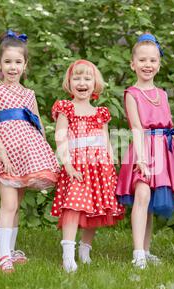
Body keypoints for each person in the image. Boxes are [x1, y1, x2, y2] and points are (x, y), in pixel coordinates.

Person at [0, 29, 60, 273]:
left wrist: (42, 154)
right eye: (7, 62)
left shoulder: (29, 94)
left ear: (25, 64)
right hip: (3, 154)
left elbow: (37, 124)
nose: (12, 67)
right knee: (8, 204)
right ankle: (3, 256)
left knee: (16, 205)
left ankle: (11, 248)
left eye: (18, 62)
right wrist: (3, 153)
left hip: (25, 155)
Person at [116, 33, 174, 269]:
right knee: (142, 195)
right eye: (143, 60)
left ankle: (146, 249)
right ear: (132, 64)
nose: (148, 65)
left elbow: (167, 124)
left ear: (159, 64)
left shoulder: (163, 94)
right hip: (143, 149)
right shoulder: (132, 94)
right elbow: (136, 127)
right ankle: (137, 253)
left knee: (152, 200)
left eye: (153, 60)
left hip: (163, 150)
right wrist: (142, 159)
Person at [51, 59, 124, 273]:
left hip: (98, 166)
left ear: (95, 84)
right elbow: (60, 137)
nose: (82, 82)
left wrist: (110, 163)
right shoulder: (66, 108)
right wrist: (68, 165)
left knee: (95, 208)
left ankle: (85, 249)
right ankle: (68, 254)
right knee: (73, 206)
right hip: (76, 165)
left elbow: (106, 139)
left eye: (87, 78)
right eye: (77, 78)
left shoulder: (100, 113)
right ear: (69, 83)